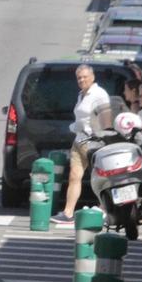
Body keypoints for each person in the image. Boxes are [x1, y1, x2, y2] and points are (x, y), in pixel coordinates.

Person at [53, 64, 114, 224]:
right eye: (79, 78)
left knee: (100, 179)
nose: (82, 80)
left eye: (85, 77)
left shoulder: (99, 94)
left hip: (94, 143)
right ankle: (68, 213)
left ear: (92, 77)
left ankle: (105, 209)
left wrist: (102, 139)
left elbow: (106, 122)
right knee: (74, 176)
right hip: (79, 140)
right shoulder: (82, 95)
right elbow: (81, 118)